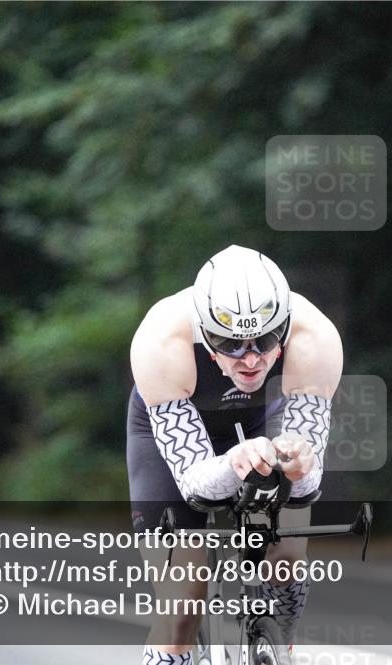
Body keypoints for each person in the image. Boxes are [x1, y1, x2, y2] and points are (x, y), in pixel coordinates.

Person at [127, 245, 342, 665]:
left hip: (263, 425)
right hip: (172, 439)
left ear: (283, 330)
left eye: (264, 340)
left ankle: (279, 647)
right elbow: (192, 484)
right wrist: (232, 462)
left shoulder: (314, 336)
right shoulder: (161, 339)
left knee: (287, 562)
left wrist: (301, 461)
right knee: (182, 605)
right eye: (230, 344)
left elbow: (307, 482)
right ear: (206, 337)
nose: (250, 359)